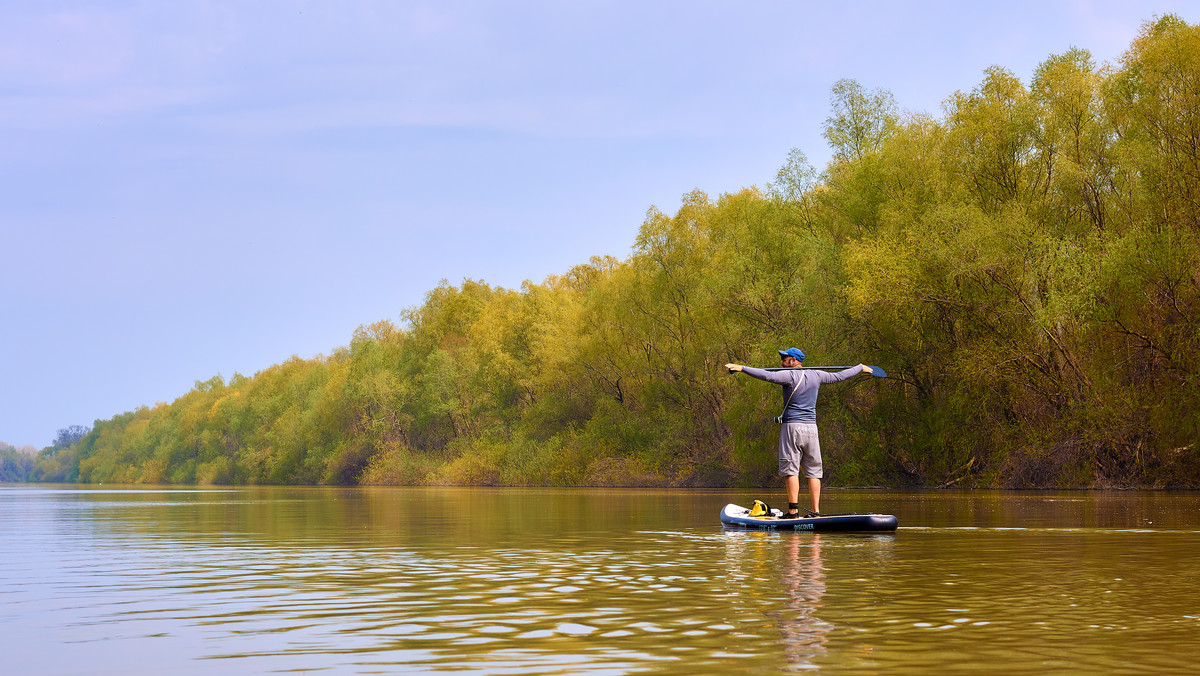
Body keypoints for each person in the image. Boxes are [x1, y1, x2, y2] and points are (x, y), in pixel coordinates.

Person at [725, 348, 873, 518]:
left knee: (791, 470)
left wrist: (743, 368)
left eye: (784, 358)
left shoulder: (789, 375)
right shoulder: (817, 375)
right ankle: (815, 512)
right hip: (811, 429)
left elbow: (766, 375)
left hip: (792, 428)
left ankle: (793, 512)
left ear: (794, 360)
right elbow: (840, 376)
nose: (781, 362)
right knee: (814, 471)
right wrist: (860, 367)